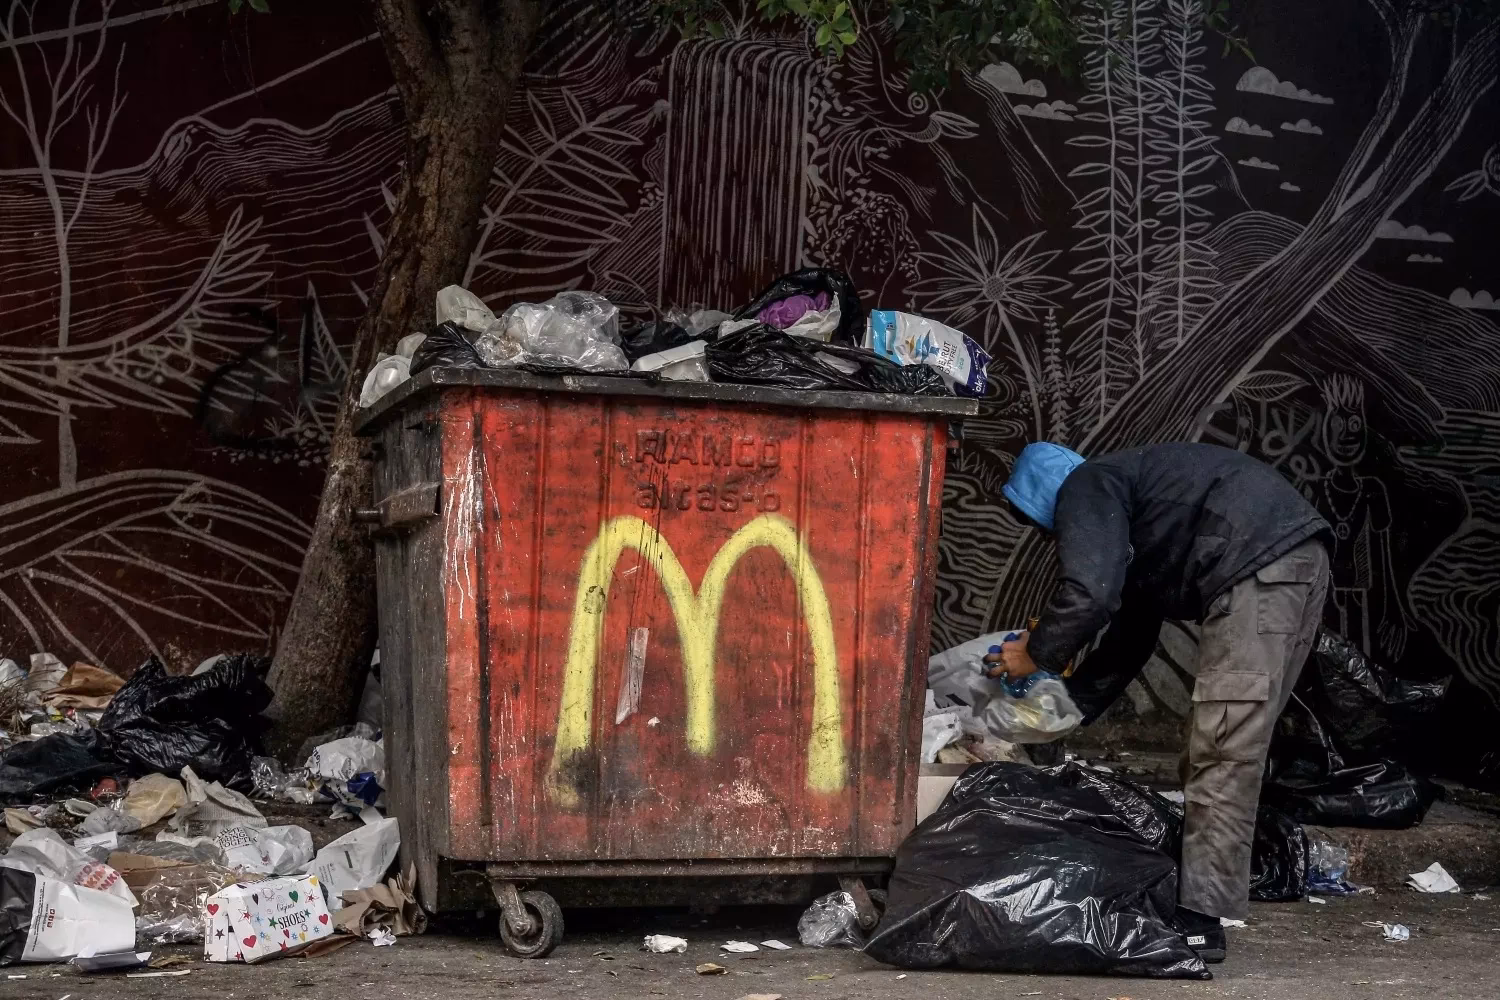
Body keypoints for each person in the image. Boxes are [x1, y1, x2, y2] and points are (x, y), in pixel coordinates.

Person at [986, 441, 1331, 963]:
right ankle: (1200, 890)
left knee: (1224, 748)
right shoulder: (1141, 513)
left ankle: (1199, 923)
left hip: (1260, 570)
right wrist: (1063, 711)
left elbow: (1089, 595)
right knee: (1229, 743)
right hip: (1295, 560)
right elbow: (1129, 640)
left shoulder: (1089, 484)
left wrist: (1035, 655)